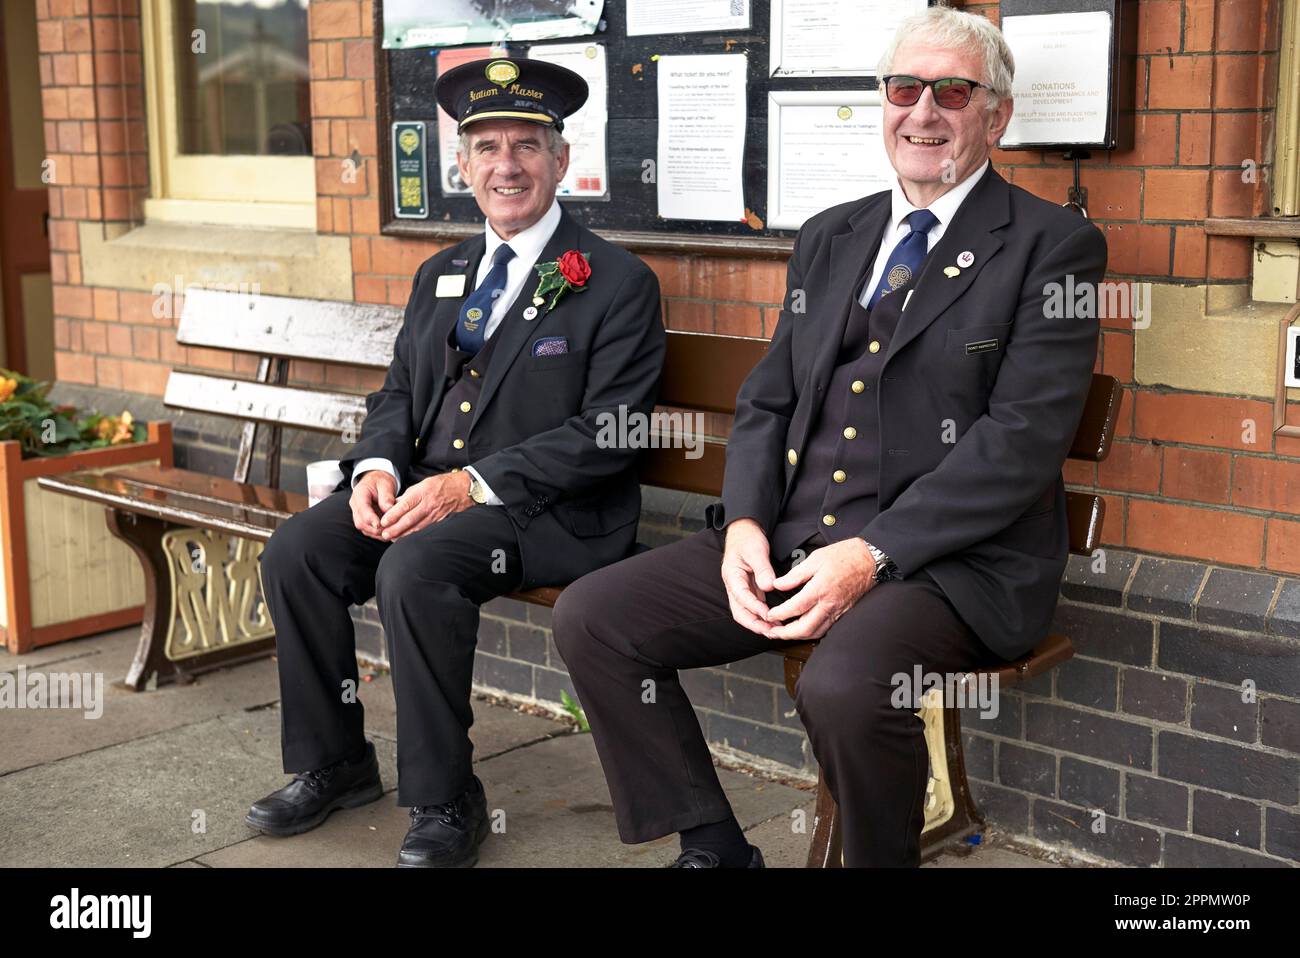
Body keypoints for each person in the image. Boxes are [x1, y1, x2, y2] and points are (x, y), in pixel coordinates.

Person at [552, 6, 1108, 868]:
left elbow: (1022, 439)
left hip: (950, 566)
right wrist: (742, 523)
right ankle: (713, 845)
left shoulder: (1052, 245)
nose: (923, 111)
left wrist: (872, 555)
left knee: (847, 686)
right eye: (903, 87)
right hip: (793, 537)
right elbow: (769, 399)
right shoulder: (831, 234)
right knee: (595, 617)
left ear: (995, 116)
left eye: (951, 92)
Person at [249, 56, 666, 868]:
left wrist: (466, 485)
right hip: (425, 496)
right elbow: (399, 393)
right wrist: (373, 469)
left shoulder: (616, 281)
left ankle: (446, 798)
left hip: (551, 513)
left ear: (561, 160)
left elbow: (611, 430)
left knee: (416, 568)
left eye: (525, 145)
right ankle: (335, 761)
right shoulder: (442, 273)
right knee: (297, 551)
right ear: (463, 165)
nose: (505, 165)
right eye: (486, 147)